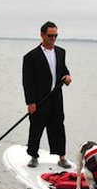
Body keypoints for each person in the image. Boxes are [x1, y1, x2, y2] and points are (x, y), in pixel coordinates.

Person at [22, 21, 73, 168]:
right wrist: (30, 102)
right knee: (36, 127)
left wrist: (67, 77)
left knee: (58, 126)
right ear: (42, 35)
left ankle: (61, 157)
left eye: (55, 36)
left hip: (56, 97)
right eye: (50, 35)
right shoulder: (31, 57)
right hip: (39, 99)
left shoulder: (61, 52)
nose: (53, 38)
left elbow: (63, 69)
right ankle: (33, 156)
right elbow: (27, 82)